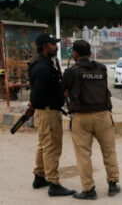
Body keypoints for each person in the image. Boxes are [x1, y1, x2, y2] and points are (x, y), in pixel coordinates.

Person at [63, 40, 120, 200]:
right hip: (103, 115)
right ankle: (113, 184)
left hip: (81, 118)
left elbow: (63, 92)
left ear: (75, 54)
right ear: (89, 52)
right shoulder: (101, 68)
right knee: (109, 151)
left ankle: (89, 190)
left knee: (83, 155)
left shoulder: (71, 72)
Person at [28, 33, 76, 196]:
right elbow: (37, 93)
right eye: (53, 44)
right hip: (48, 112)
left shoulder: (45, 63)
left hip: (46, 111)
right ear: (45, 47)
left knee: (43, 145)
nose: (56, 46)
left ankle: (40, 176)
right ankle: (54, 184)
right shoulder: (42, 67)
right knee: (52, 147)